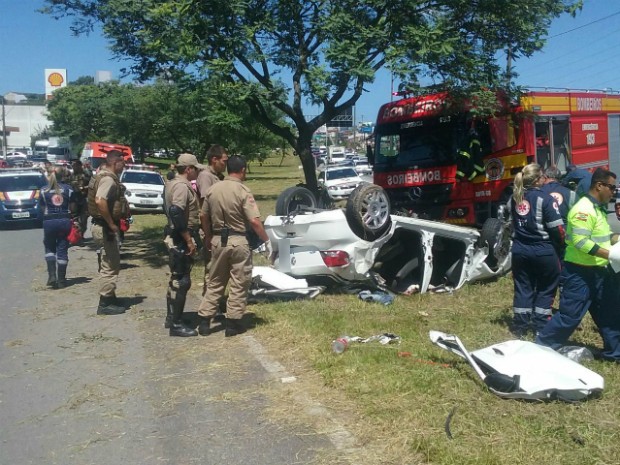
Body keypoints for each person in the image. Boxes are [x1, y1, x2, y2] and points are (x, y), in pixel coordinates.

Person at [536, 168, 620, 361]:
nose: (614, 192)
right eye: (612, 188)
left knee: (610, 313)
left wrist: (616, 238)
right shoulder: (583, 210)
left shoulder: (597, 209)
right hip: (580, 273)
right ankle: (542, 347)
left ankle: (615, 353)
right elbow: (582, 242)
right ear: (599, 186)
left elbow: (601, 237)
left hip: (600, 272)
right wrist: (612, 255)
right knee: (570, 316)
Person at [197, 155, 270, 337]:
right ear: (243, 170)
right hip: (238, 241)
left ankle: (205, 321)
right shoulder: (242, 190)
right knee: (239, 281)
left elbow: (203, 216)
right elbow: (254, 221)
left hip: (217, 241)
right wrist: (267, 240)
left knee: (215, 280)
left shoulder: (213, 189)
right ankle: (233, 323)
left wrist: (207, 236)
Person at [507, 163, 565, 338]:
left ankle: (520, 327)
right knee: (546, 288)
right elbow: (558, 230)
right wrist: (562, 245)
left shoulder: (514, 198)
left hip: (519, 251)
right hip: (543, 251)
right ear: (539, 180)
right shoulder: (546, 199)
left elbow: (509, 226)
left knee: (523, 288)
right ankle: (540, 326)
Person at [163, 153, 204, 337]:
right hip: (180, 237)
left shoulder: (172, 183)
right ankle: (176, 324)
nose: (197, 171)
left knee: (176, 279)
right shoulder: (181, 187)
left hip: (175, 234)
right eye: (195, 168)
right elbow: (176, 212)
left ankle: (172, 317)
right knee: (182, 281)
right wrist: (188, 239)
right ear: (188, 169)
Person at [87, 150, 129, 315]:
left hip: (102, 226)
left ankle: (110, 297)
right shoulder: (108, 180)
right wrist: (111, 224)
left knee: (109, 262)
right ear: (114, 162)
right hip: (104, 227)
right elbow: (100, 200)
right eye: (122, 163)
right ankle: (105, 303)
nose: (123, 167)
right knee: (110, 265)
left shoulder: (103, 176)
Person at [196, 144, 229, 296]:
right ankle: (209, 305)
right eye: (224, 161)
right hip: (211, 230)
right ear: (214, 159)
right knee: (212, 268)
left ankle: (214, 301)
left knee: (220, 268)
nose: (225, 164)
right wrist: (207, 234)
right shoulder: (206, 177)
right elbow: (205, 207)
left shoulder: (217, 177)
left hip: (220, 229)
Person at [39, 167, 77, 289]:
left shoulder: (43, 190)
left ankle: (51, 276)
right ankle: (61, 280)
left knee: (49, 247)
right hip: (64, 221)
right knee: (62, 248)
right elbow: (73, 208)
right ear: (63, 176)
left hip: (49, 221)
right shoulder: (69, 189)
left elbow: (42, 208)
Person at [69, 159, 91, 235]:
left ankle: (81, 234)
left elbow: (92, 185)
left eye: (75, 165)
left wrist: (84, 188)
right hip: (74, 199)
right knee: (74, 217)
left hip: (84, 198)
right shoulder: (71, 175)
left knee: (84, 218)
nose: (73, 167)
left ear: (79, 165)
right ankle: (75, 235)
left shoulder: (86, 174)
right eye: (72, 166)